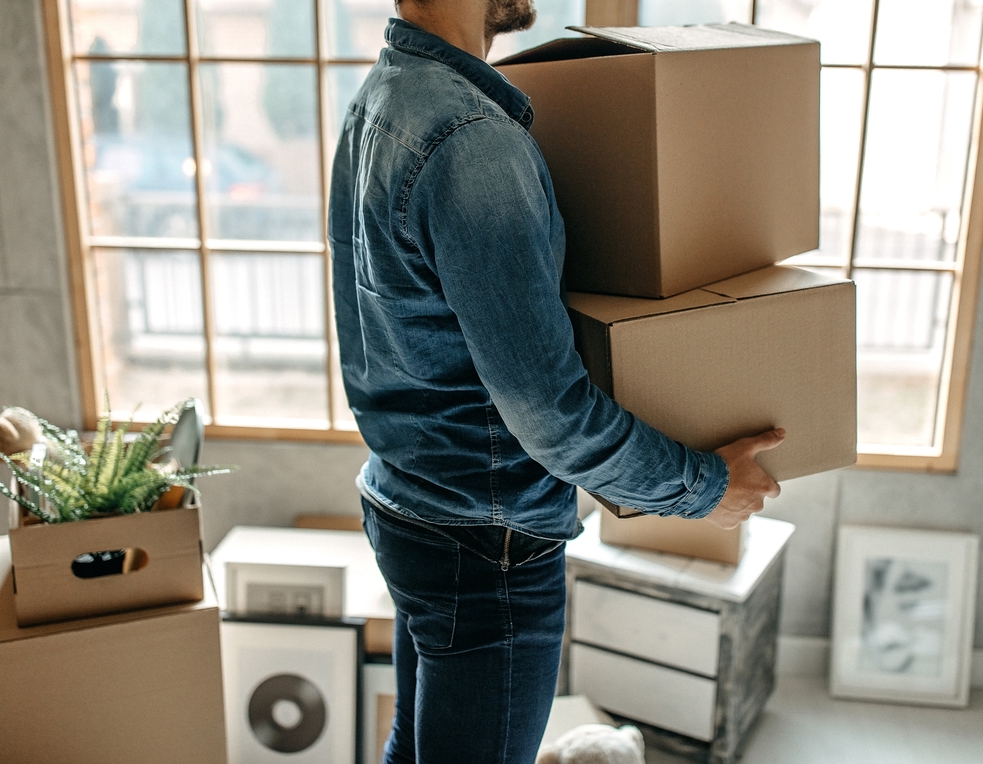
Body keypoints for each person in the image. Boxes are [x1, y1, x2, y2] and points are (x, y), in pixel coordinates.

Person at [328, 1, 784, 761]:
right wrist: (704, 487)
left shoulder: (385, 96)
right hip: (484, 541)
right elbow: (550, 413)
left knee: (417, 744)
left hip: (408, 503)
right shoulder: (471, 143)